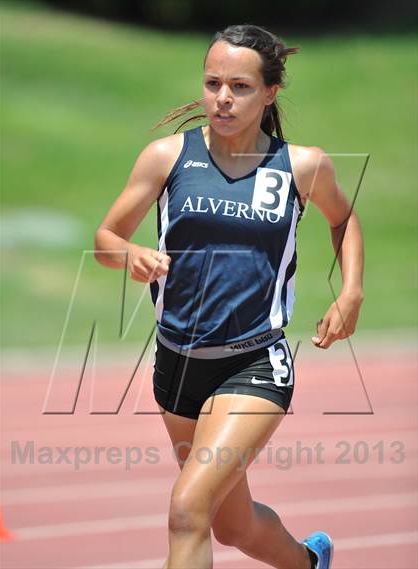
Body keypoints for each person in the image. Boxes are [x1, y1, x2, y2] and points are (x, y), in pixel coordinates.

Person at [94, 24, 364, 569]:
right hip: (176, 362)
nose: (222, 97)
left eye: (240, 86)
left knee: (188, 510)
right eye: (213, 82)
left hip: (255, 361)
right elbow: (106, 240)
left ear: (269, 93)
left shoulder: (301, 166)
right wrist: (132, 255)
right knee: (231, 524)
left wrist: (350, 291)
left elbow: (344, 218)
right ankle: (310, 564)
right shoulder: (167, 157)